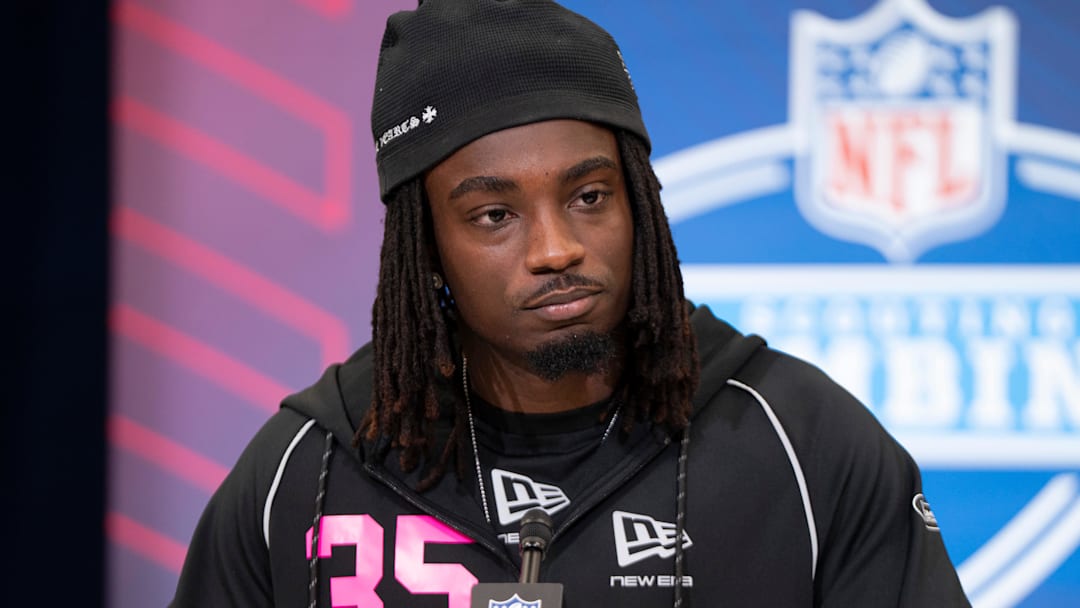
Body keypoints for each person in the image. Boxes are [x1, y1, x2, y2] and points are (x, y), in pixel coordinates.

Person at [171, 1, 971, 606]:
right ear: (427, 244)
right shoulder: (309, 468)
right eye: (494, 215)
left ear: (640, 204)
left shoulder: (803, 442)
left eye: (589, 195)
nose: (556, 248)